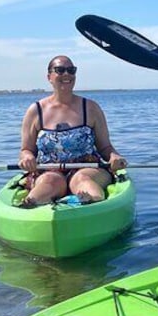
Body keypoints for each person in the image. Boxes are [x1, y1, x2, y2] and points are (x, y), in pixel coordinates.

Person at [17, 55, 127, 207]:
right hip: (49, 170)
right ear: (49, 76)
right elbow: (26, 149)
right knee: (50, 181)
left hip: (89, 168)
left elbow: (105, 147)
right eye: (60, 70)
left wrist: (114, 156)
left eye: (71, 70)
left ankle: (92, 200)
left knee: (81, 179)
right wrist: (27, 157)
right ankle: (32, 203)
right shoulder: (35, 111)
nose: (66, 74)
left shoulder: (91, 108)